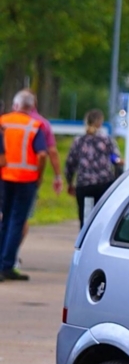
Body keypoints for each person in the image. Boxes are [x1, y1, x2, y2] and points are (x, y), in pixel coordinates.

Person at [0, 98, 49, 281]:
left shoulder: (3, 121)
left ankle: (2, 264)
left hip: (4, 177)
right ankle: (6, 266)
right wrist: (39, 175)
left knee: (5, 219)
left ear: (15, 105)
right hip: (26, 179)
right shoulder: (34, 125)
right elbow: (42, 154)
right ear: (31, 107)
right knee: (17, 221)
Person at [13, 90, 61, 261]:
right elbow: (51, 153)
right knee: (22, 217)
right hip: (28, 179)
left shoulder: (7, 121)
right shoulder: (41, 124)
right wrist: (57, 177)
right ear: (34, 104)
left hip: (5, 177)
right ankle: (12, 253)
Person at [65, 109, 122, 228]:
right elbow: (116, 160)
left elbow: (70, 163)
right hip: (104, 183)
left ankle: (83, 241)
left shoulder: (78, 141)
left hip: (84, 184)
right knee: (101, 216)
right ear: (100, 122)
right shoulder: (107, 140)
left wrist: (70, 182)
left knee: (85, 218)